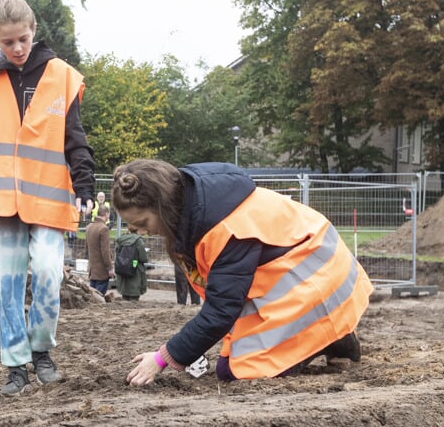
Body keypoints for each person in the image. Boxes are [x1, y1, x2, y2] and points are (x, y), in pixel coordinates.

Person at [111, 159, 370, 386]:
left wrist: (163, 358)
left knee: (238, 371)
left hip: (319, 275)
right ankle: (330, 334)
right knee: (234, 362)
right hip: (307, 271)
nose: (142, 232)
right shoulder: (201, 208)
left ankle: (327, 336)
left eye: (142, 223)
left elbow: (221, 311)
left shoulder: (226, 229)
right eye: (134, 228)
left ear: (163, 206)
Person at [0, 0, 96, 396]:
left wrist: (85, 184)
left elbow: (75, 138)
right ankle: (15, 365)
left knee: (46, 273)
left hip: (50, 198)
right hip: (4, 200)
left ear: (34, 31)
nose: (17, 48)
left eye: (23, 39)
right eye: (8, 42)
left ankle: (41, 350)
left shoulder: (63, 77)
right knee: (7, 284)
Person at [85, 204, 114, 296]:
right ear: (106, 214)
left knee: (92, 297)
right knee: (98, 299)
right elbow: (105, 252)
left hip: (92, 270)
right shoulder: (103, 229)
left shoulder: (89, 227)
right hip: (101, 272)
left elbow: (87, 247)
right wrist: (110, 268)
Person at [113, 230, 148, 301]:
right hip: (135, 270)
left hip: (122, 268)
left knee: (124, 298)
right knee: (134, 297)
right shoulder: (138, 241)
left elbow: (117, 252)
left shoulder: (122, 240)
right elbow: (143, 258)